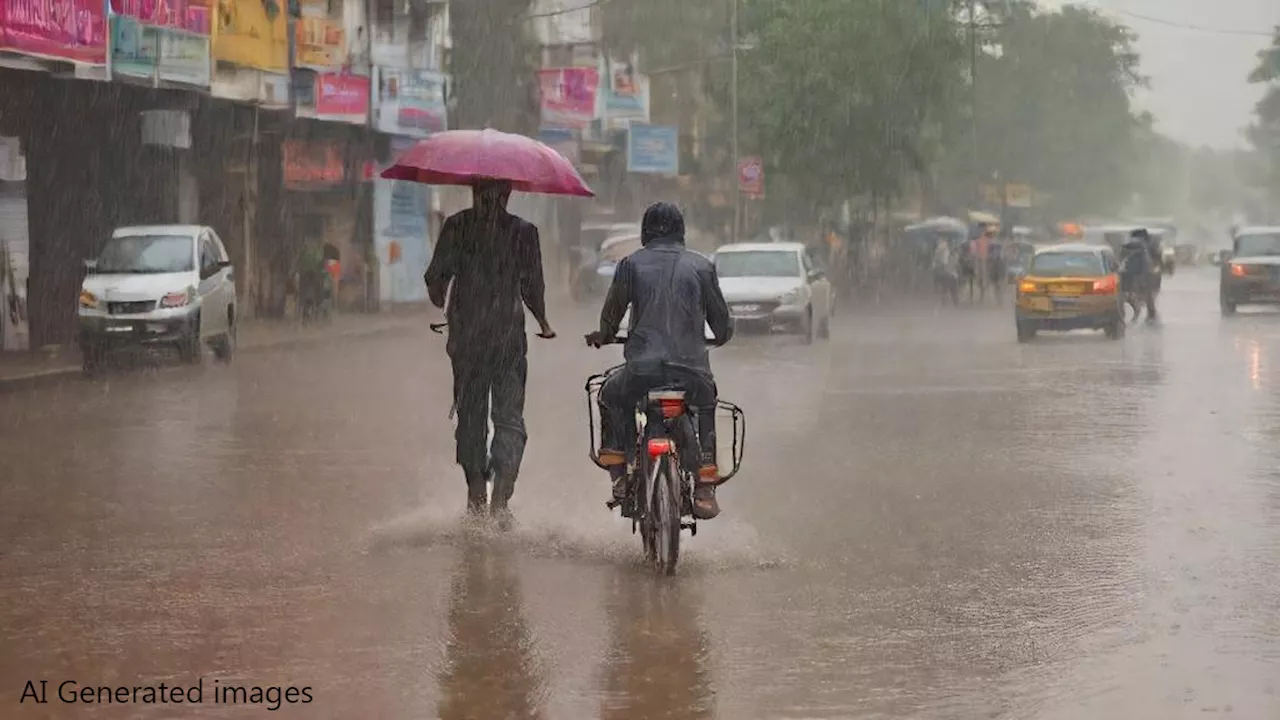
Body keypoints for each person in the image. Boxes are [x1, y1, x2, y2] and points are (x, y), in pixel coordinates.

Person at [585, 202, 733, 520]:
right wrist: (719, 336)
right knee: (705, 402)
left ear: (645, 231)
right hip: (691, 372)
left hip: (642, 371)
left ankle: (620, 472)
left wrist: (605, 333)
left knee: (610, 394)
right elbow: (722, 325)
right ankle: (705, 482)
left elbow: (612, 314)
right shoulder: (702, 266)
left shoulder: (630, 264)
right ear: (682, 231)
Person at [424, 179, 556, 524]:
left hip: (467, 340)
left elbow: (434, 280)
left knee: (471, 415)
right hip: (507, 339)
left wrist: (444, 300)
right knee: (509, 418)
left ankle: (475, 495)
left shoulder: (457, 226)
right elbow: (533, 286)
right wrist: (542, 320)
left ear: (473, 192)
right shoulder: (523, 232)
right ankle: (500, 497)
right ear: (508, 194)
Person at [1120, 229, 1156, 322]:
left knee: (1127, 295)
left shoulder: (1128, 246)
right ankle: (1148, 314)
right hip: (1141, 275)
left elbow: (1122, 261)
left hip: (1131, 274)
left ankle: (1136, 314)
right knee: (1147, 296)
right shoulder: (1144, 247)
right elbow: (1148, 263)